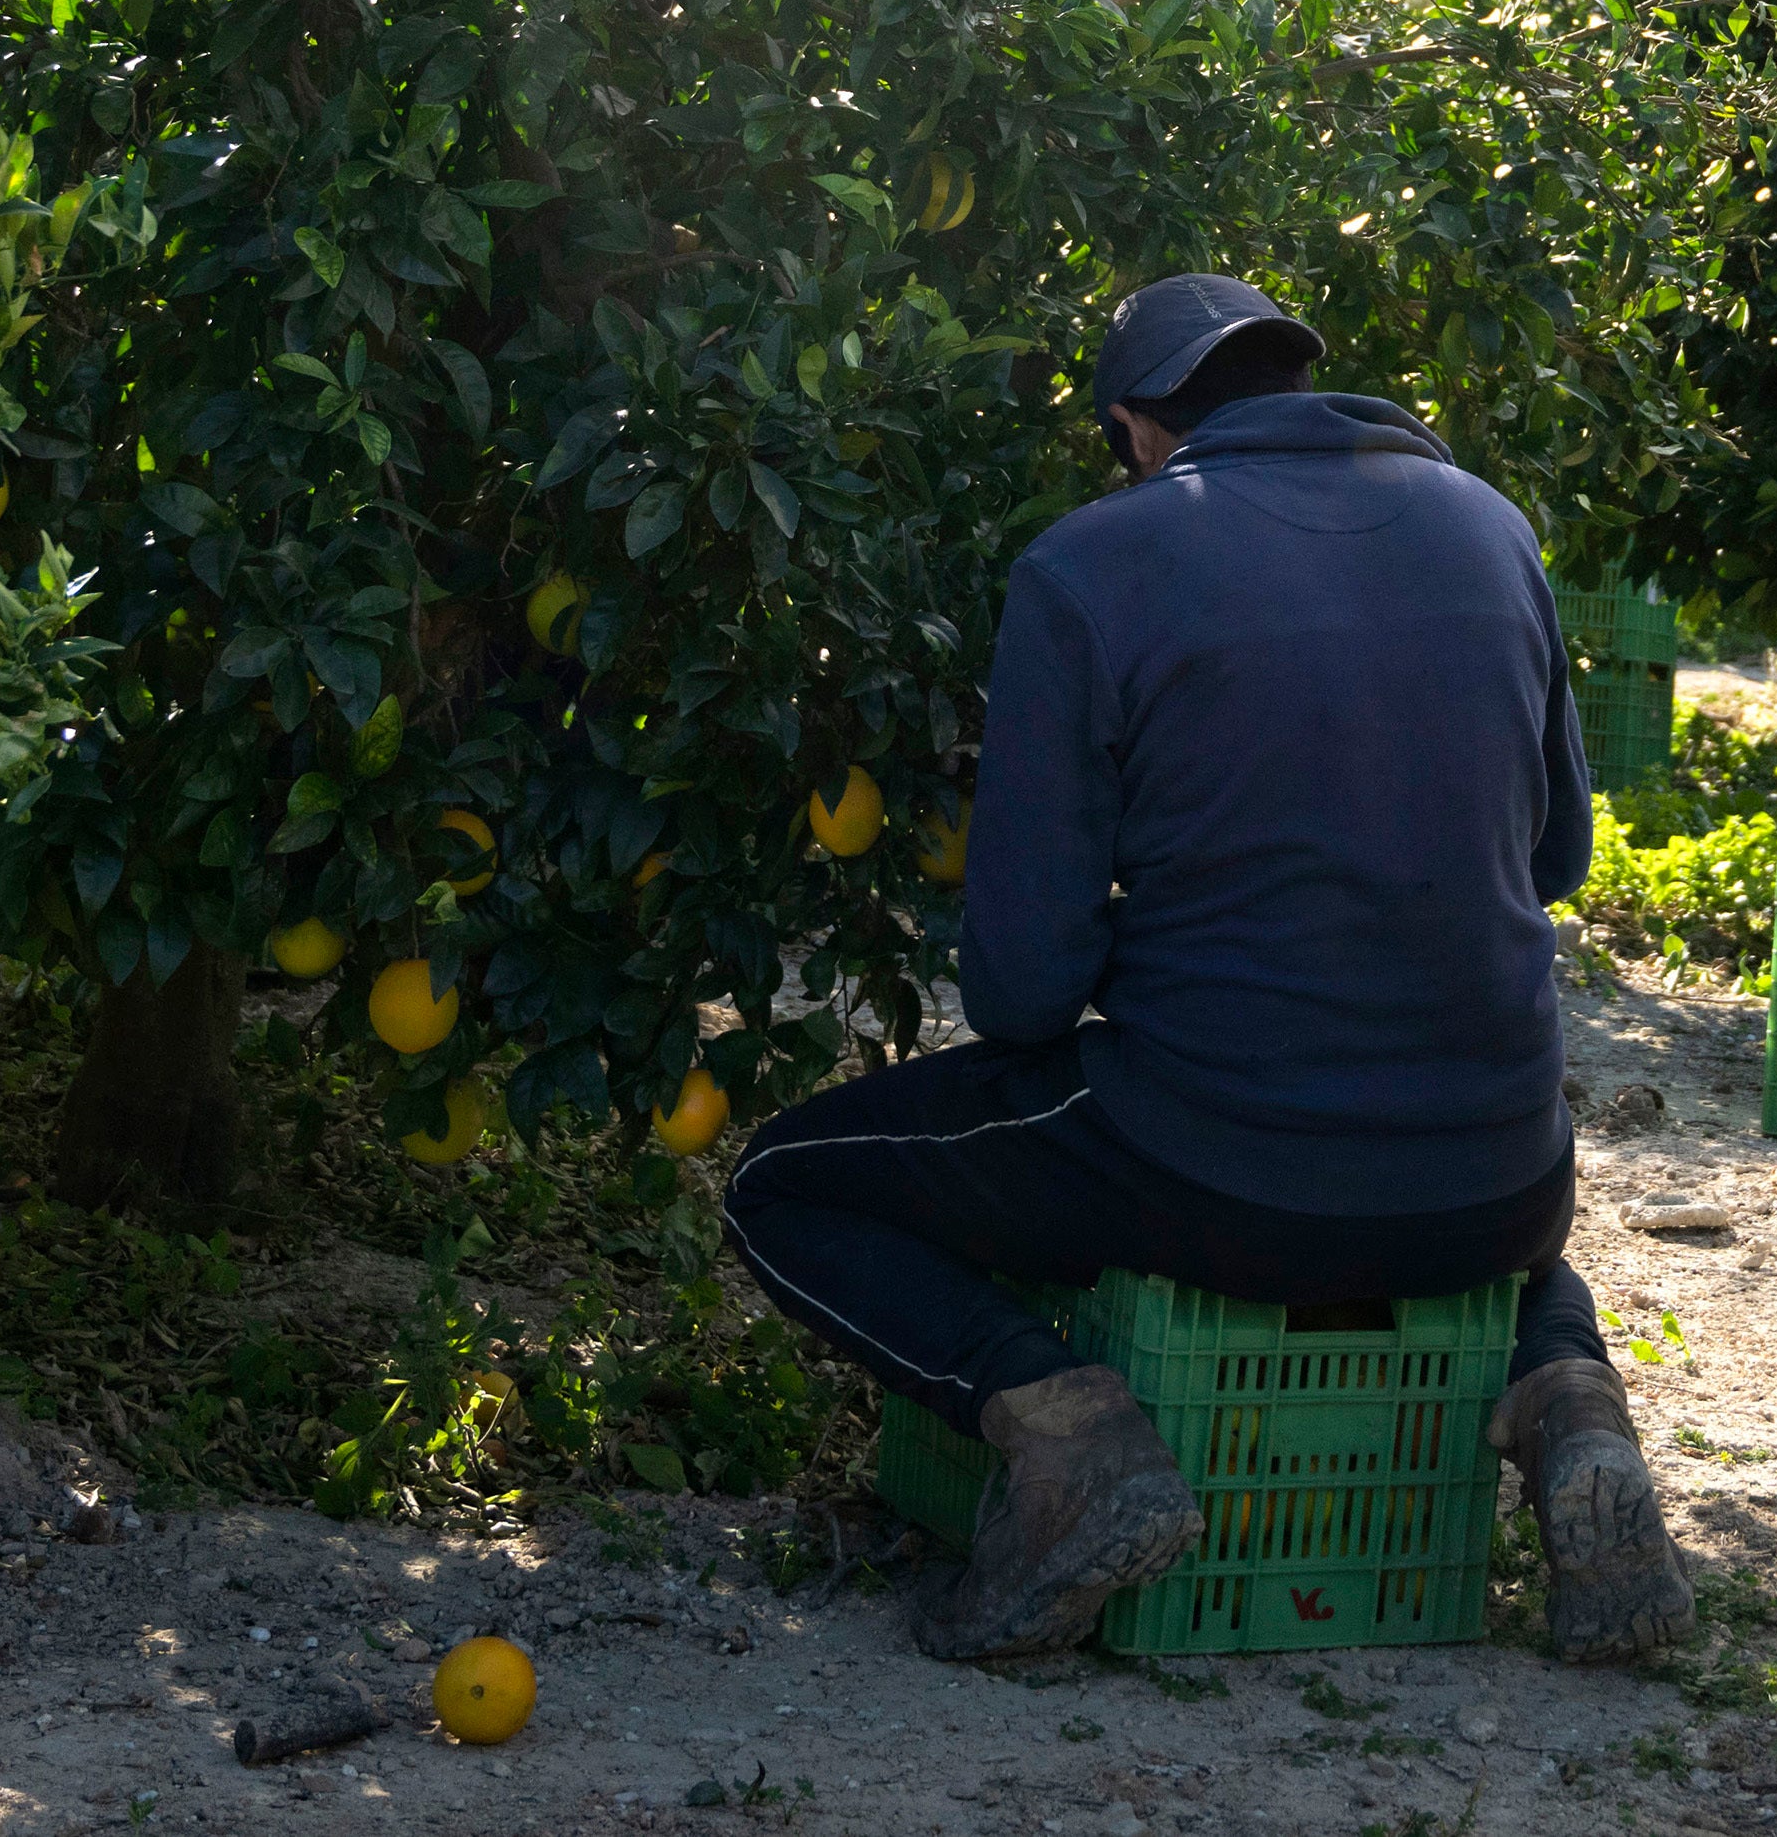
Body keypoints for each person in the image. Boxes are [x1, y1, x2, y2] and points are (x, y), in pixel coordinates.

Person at [721, 271, 1698, 1665]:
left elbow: (1020, 997)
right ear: (1299, 383)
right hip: (1496, 1180)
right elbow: (1551, 866)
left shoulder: (1092, 564)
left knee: (783, 1185)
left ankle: (1070, 1438)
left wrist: (1168, 917)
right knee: (1494, 1203)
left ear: (1135, 427)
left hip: (1220, 1177)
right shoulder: (1493, 529)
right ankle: (1568, 1400)